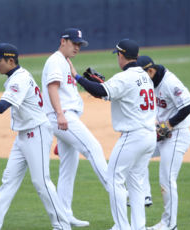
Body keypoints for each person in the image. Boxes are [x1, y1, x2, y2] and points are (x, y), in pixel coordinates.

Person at [0, 43, 71, 230]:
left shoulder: (19, 79)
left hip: (37, 132)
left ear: (10, 60)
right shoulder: (16, 77)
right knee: (9, 180)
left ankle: (62, 226)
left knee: (41, 182)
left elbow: (1, 108)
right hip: (24, 135)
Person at [72, 39, 157, 230]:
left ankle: (122, 226)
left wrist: (77, 77)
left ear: (121, 55)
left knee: (113, 179)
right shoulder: (144, 77)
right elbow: (115, 94)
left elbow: (99, 92)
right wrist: (103, 86)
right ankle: (138, 226)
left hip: (132, 137)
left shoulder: (124, 77)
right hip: (149, 136)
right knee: (136, 182)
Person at [41, 27, 108, 227]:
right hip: (62, 116)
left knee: (69, 165)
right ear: (63, 41)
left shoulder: (65, 62)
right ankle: (118, 191)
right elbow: (52, 87)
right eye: (74, 43)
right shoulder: (55, 60)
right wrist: (60, 114)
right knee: (93, 147)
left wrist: (77, 76)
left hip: (64, 115)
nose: (77, 47)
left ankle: (64, 214)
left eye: (80, 44)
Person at [137, 56, 190, 230]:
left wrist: (168, 125)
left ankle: (170, 224)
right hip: (161, 135)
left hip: (177, 135)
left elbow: (189, 105)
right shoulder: (149, 82)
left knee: (167, 179)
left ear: (151, 71)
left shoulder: (170, 82)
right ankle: (146, 195)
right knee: (137, 155)